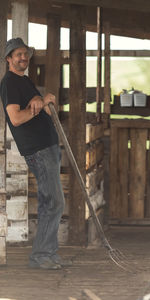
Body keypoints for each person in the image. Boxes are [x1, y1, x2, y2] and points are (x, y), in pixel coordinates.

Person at [0, 37, 72, 270]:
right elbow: (16, 118)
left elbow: (35, 108)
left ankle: (47, 254)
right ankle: (41, 255)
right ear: (9, 59)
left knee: (49, 202)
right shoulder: (10, 82)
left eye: (25, 54)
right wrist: (40, 104)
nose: (23, 57)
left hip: (47, 147)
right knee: (55, 203)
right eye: (18, 54)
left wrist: (41, 100)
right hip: (38, 150)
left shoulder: (25, 81)